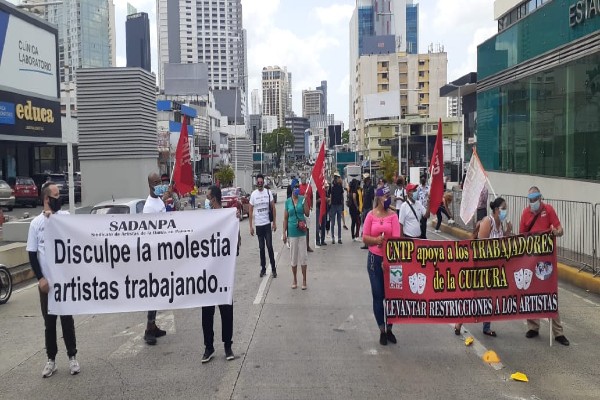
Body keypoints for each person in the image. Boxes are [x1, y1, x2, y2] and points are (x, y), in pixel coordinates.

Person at [27, 182, 80, 378]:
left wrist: (54, 221)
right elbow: (32, 254)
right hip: (47, 285)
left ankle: (72, 357)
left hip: (64, 283)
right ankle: (51, 360)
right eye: (56, 195)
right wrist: (40, 278)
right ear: (47, 199)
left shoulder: (64, 218)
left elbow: (76, 238)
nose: (61, 198)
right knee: (49, 324)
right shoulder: (35, 224)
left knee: (67, 320)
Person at [455, 197, 512, 337]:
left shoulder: (501, 224)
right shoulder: (488, 221)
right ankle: (459, 322)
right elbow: (481, 245)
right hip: (482, 266)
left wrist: (508, 232)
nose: (505, 211)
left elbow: (501, 243)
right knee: (474, 296)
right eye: (503, 208)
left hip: (494, 267)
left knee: (490, 298)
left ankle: (486, 327)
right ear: (496, 209)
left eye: (506, 208)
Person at [520, 186, 570, 346]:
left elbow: (560, 230)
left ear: (540, 198)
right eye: (530, 200)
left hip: (547, 262)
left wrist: (556, 232)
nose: (532, 203)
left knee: (550, 294)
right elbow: (522, 237)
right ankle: (533, 327)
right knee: (531, 293)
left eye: (535, 199)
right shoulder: (525, 214)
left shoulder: (548, 210)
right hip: (531, 260)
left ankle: (558, 332)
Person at [362, 185, 399, 345]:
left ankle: (390, 328)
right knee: (378, 296)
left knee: (392, 297)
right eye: (385, 196)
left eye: (388, 195)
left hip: (391, 262)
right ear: (378, 198)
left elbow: (397, 239)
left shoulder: (394, 216)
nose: (388, 198)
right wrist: (376, 240)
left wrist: (388, 260)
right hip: (374, 260)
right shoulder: (371, 215)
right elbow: (365, 237)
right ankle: (382, 330)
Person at [201, 185, 235, 362]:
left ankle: (228, 346)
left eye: (208, 197)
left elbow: (235, 246)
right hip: (207, 276)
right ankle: (208, 347)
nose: (206, 201)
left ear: (214, 198)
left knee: (226, 312)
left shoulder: (228, 218)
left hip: (223, 274)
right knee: (206, 314)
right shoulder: (205, 220)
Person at [142, 172, 169, 345]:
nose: (159, 185)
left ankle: (153, 326)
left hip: (163, 252)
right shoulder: (148, 207)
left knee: (159, 292)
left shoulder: (159, 201)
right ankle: (148, 329)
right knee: (153, 292)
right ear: (149, 185)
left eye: (160, 182)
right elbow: (149, 233)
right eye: (156, 183)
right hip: (153, 255)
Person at [249, 174, 277, 278]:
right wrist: (250, 226)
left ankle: (273, 269)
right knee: (261, 248)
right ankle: (263, 268)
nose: (260, 184)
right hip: (258, 225)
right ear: (256, 183)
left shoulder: (268, 193)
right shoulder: (253, 195)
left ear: (263, 183)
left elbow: (273, 208)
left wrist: (274, 222)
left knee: (269, 246)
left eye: (261, 183)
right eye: (258, 183)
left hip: (267, 224)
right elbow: (251, 210)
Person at [283, 183, 310, 289]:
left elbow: (307, 213)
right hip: (292, 233)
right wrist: (284, 233)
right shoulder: (287, 202)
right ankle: (294, 279)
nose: (297, 189)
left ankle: (304, 280)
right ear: (292, 189)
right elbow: (285, 218)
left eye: (298, 187)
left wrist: (306, 202)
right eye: (295, 188)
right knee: (293, 258)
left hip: (302, 232)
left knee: (303, 258)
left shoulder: (302, 199)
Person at [298, 176, 314, 252]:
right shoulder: (299, 187)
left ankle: (307, 246)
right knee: (299, 227)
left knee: (307, 228)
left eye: (304, 178)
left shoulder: (309, 187)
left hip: (307, 210)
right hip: (300, 210)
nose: (303, 180)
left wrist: (312, 206)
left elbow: (311, 197)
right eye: (302, 178)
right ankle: (300, 246)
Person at [329, 173, 345, 244]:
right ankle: (332, 237)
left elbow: (342, 196)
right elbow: (330, 195)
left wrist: (342, 206)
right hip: (333, 205)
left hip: (339, 205)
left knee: (339, 223)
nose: (339, 179)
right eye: (338, 178)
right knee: (333, 223)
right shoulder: (331, 186)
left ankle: (339, 238)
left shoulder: (340, 186)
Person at [360, 174, 375, 249]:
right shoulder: (364, 187)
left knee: (369, 225)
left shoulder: (371, 187)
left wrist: (373, 209)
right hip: (365, 207)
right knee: (364, 225)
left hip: (369, 207)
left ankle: (369, 243)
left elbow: (373, 198)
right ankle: (366, 243)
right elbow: (363, 197)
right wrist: (362, 207)